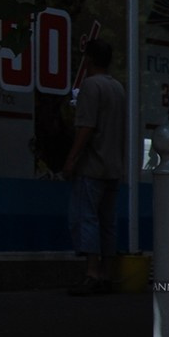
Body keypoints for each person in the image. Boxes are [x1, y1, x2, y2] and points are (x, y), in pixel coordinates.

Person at [61, 38, 127, 296]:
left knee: (86, 217)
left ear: (88, 59)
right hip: (113, 166)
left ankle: (91, 273)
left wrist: (71, 159)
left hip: (93, 165)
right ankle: (107, 273)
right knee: (107, 221)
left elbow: (86, 126)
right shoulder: (117, 88)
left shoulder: (90, 86)